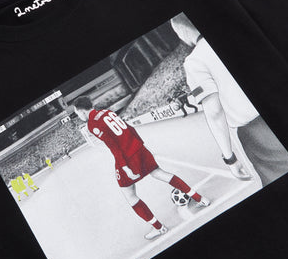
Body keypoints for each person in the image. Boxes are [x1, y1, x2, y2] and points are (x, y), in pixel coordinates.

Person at [170, 14, 288, 186]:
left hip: (260, 132)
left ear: (182, 31)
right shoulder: (236, 33)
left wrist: (230, 158)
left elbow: (214, 112)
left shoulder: (195, 62)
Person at [73, 96, 210, 241]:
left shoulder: (92, 124)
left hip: (128, 157)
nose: (79, 117)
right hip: (139, 148)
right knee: (159, 173)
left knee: (129, 195)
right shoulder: (107, 112)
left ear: (81, 111)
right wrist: (141, 146)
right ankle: (200, 199)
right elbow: (130, 128)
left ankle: (158, 227)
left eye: (77, 114)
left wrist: (125, 167)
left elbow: (114, 146)